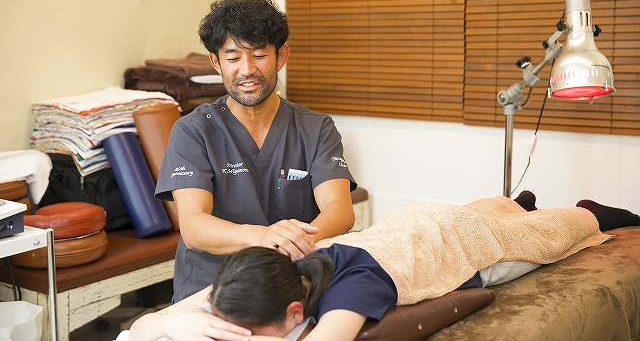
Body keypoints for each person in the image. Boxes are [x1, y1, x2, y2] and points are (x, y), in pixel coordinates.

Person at [126, 193, 640, 341]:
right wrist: (172, 322)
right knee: (487, 207)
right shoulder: (257, 273)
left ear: (296, 313)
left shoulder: (354, 290)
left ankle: (589, 210)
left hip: (454, 242)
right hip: (403, 227)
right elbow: (141, 327)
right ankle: (514, 201)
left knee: (545, 234)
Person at [154, 0, 357, 303]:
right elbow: (193, 227)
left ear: (281, 56)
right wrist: (264, 237)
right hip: (215, 281)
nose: (247, 69)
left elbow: (339, 211)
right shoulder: (192, 131)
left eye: (259, 55)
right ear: (216, 62)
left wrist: (292, 247)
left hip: (292, 272)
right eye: (233, 57)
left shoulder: (316, 128)